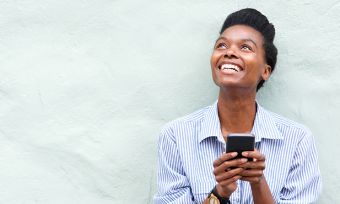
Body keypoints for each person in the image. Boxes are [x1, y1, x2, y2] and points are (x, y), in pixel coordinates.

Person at [154, 8, 321, 204]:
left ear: (265, 71)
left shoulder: (297, 141)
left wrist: (258, 183)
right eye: (222, 45)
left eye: (246, 47)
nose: (230, 52)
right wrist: (220, 192)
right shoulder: (176, 136)